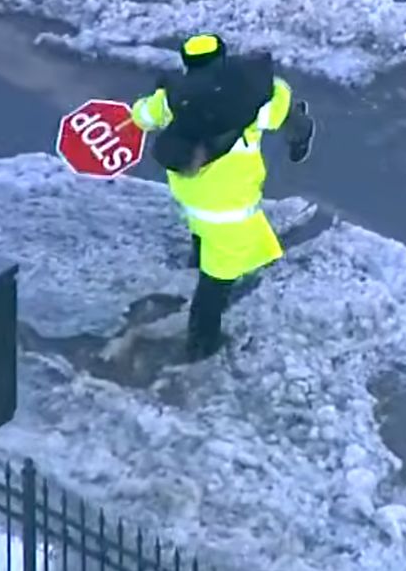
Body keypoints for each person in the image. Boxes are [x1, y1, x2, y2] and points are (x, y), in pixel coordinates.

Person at [130, 33, 315, 361]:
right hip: (229, 203)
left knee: (202, 227)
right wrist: (300, 135)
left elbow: (141, 116)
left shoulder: (174, 99)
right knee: (218, 280)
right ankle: (201, 344)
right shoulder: (257, 99)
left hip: (189, 191)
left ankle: (196, 258)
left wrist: (158, 97)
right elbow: (285, 110)